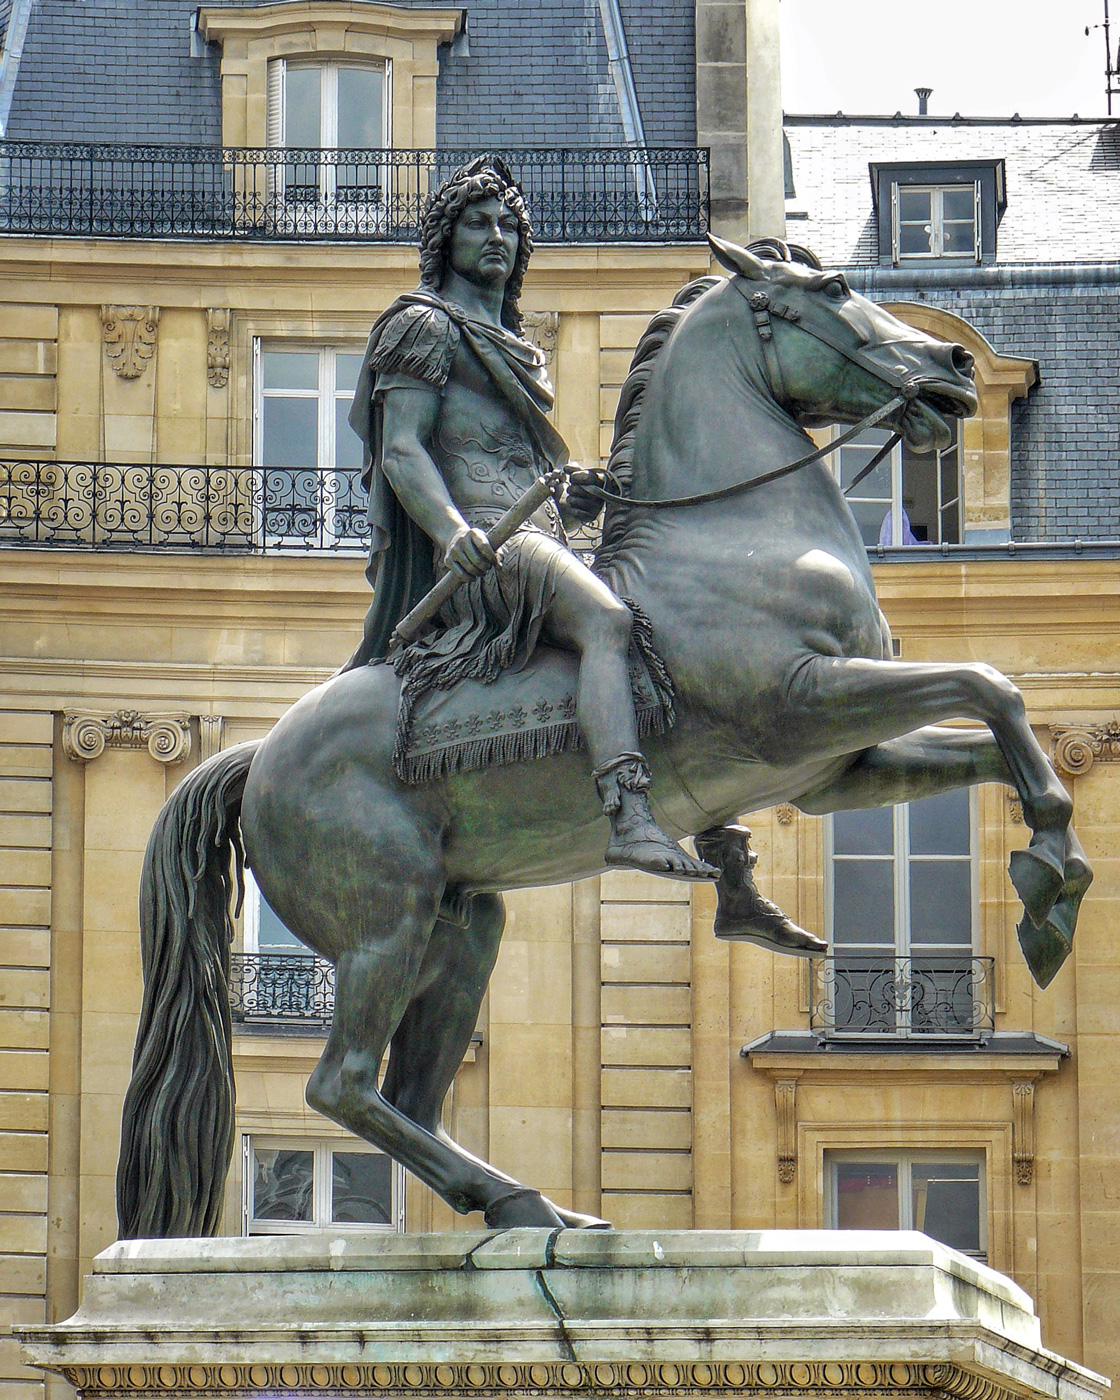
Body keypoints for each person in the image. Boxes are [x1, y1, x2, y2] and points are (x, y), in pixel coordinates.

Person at [342, 156, 717, 881]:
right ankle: (629, 814)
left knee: (678, 641)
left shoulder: (518, 346)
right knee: (607, 623)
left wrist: (571, 503)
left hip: (533, 533)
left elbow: (521, 468)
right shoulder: (423, 325)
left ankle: (727, 847)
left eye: (510, 225)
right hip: (488, 546)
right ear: (445, 238)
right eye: (479, 222)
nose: (497, 236)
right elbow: (402, 450)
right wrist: (453, 533)